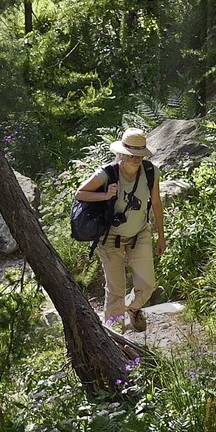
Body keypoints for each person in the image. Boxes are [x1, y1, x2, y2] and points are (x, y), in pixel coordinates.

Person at [75, 126, 165, 334]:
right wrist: (105, 196)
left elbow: (157, 203)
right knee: (115, 290)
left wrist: (161, 236)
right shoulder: (107, 173)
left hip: (140, 232)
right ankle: (115, 335)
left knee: (148, 285)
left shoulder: (151, 171)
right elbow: (80, 193)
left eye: (140, 155)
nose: (136, 159)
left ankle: (132, 308)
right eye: (132, 154)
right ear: (122, 154)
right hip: (109, 236)